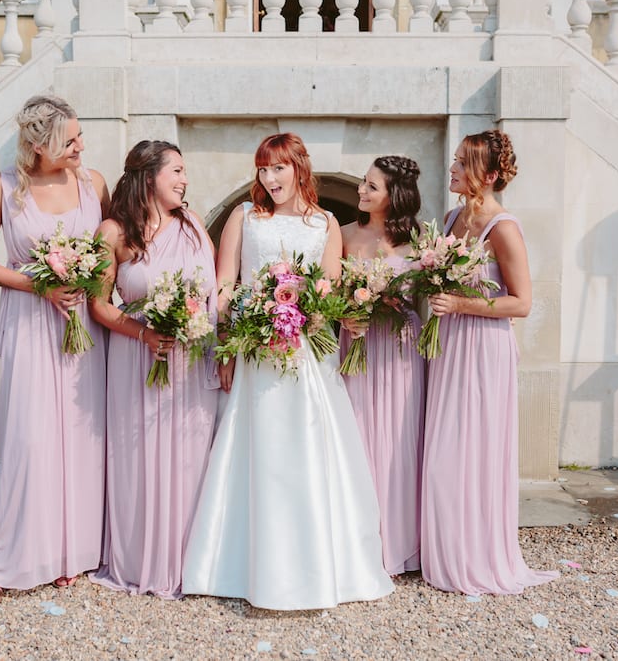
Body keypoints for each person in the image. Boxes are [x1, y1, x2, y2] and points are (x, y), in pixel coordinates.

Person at [182, 132, 394, 610]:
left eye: (277, 168)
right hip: (256, 351)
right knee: (258, 449)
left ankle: (316, 565)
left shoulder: (326, 223)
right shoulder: (244, 217)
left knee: (308, 446)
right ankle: (244, 564)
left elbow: (330, 292)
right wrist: (227, 340)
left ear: (299, 167)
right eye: (262, 169)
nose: (268, 178)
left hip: (306, 356)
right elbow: (225, 284)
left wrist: (314, 314)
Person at [0, 94, 109, 606]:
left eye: (79, 135)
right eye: (69, 140)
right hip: (30, 324)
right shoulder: (0, 187)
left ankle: (70, 553)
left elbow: (111, 250)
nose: (80, 146)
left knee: (81, 439)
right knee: (30, 440)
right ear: (38, 144)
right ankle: (5, 561)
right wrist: (37, 285)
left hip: (84, 328)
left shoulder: (93, 184)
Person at [422, 129, 557, 595]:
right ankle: (444, 549)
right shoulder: (449, 217)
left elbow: (521, 303)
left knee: (474, 449)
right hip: (448, 343)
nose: (454, 167)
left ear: (491, 174)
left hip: (484, 347)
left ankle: (478, 557)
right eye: (456, 159)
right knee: (442, 451)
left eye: (463, 162)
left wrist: (461, 305)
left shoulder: (503, 228)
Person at [88, 140, 219, 599]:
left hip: (191, 359)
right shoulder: (113, 232)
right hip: (137, 357)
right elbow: (99, 306)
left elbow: (211, 294)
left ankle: (191, 562)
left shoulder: (193, 224)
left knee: (191, 458)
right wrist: (144, 334)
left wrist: (218, 352)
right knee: (138, 457)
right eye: (177, 171)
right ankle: (142, 559)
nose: (185, 180)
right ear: (149, 176)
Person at [339, 155, 425, 576]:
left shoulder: (422, 240)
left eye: (372, 186)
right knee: (356, 440)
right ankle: (359, 543)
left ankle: (400, 542)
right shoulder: (342, 235)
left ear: (395, 195)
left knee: (398, 443)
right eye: (363, 183)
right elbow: (328, 292)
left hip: (400, 348)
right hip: (357, 345)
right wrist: (345, 314)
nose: (362, 191)